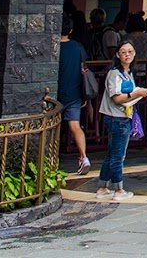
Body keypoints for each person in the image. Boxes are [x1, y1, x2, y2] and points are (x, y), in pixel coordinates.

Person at [96, 41, 147, 202]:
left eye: (130, 51)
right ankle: (118, 189)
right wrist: (138, 94)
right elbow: (117, 98)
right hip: (117, 117)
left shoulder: (128, 72)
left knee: (112, 152)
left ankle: (102, 186)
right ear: (117, 55)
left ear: (134, 53)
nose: (127, 54)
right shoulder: (115, 73)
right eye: (123, 52)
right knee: (118, 155)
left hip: (122, 116)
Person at [56, 18, 91, 175]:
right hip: (74, 92)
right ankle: (83, 157)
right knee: (74, 125)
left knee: (52, 127)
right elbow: (84, 66)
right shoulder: (77, 47)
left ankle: (50, 158)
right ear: (70, 30)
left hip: (55, 94)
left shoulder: (54, 46)